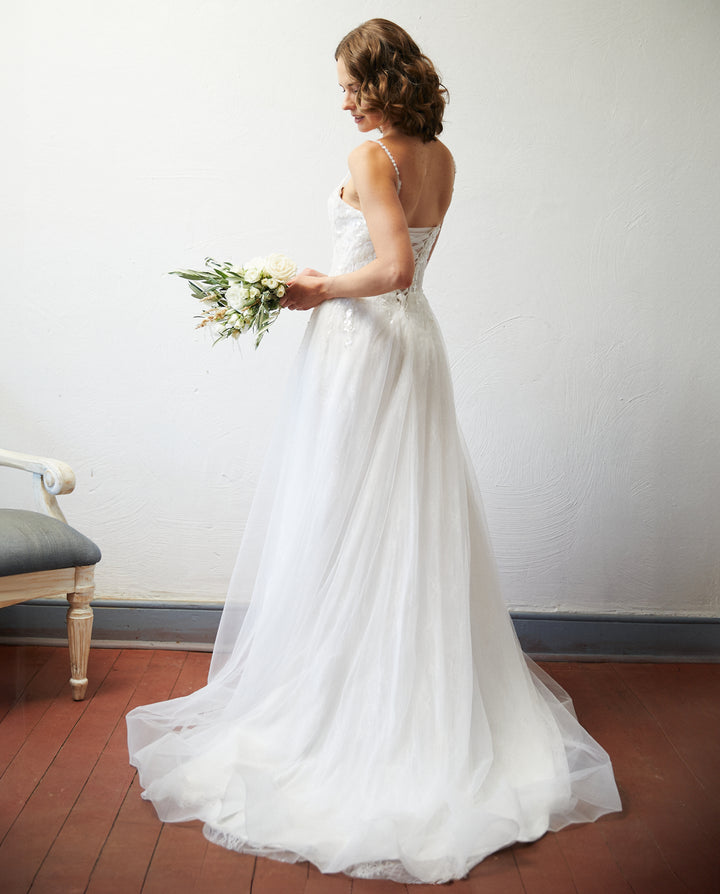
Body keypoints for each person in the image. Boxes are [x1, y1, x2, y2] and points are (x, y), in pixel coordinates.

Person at [127, 19, 621, 885]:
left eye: (353, 85)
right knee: (398, 520)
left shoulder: (372, 159)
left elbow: (391, 268)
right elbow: (413, 273)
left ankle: (352, 707)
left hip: (367, 345)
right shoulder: (444, 156)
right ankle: (398, 683)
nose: (344, 101)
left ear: (383, 82)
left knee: (346, 514)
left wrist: (312, 287)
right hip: (417, 347)